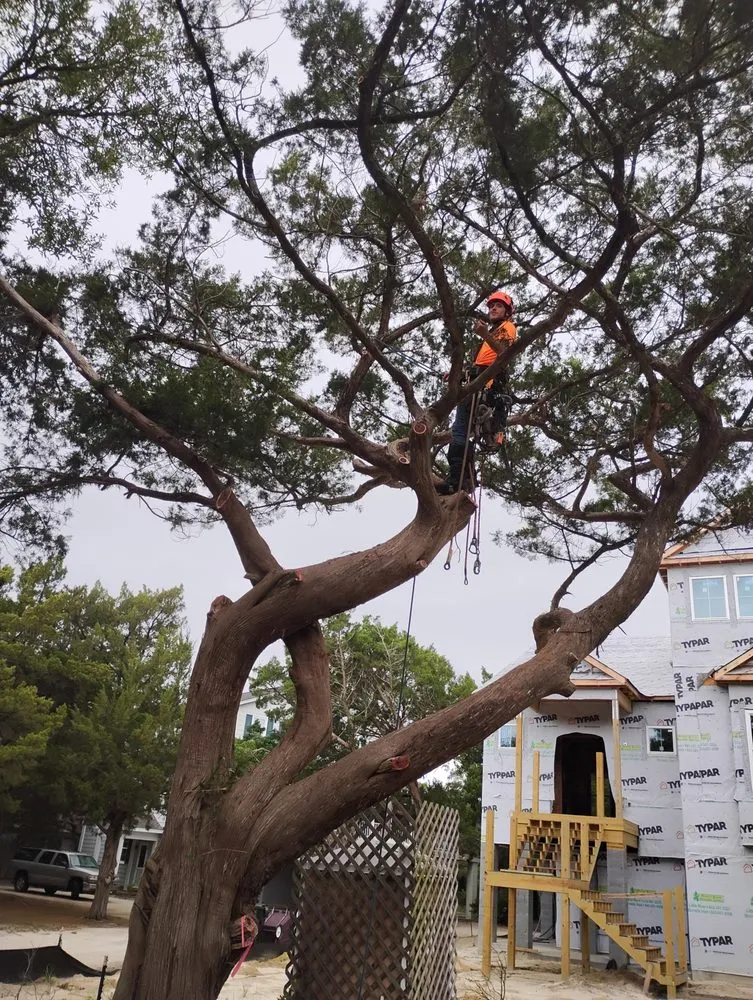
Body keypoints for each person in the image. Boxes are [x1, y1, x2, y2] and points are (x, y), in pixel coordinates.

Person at [436, 291, 517, 495]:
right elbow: (479, 365)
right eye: (491, 306)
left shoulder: (508, 328)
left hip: (488, 385)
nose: (493, 309)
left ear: (507, 311)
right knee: (459, 432)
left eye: (498, 306)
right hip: (476, 383)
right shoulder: (491, 334)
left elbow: (503, 354)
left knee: (461, 431)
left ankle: (459, 480)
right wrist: (459, 374)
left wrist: (484, 334)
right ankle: (462, 479)